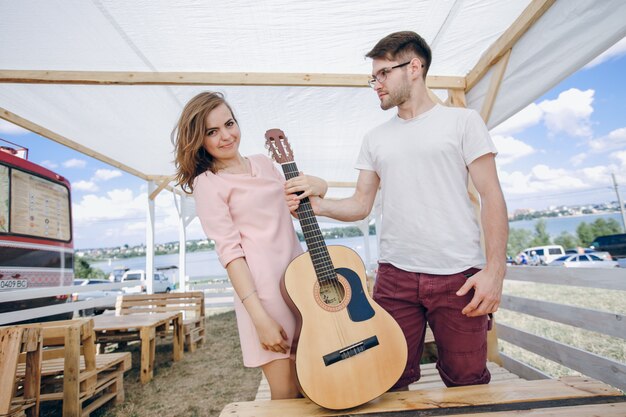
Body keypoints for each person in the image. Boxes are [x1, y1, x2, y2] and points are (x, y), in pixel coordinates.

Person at [285, 31, 508, 390]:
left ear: (414, 67)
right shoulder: (375, 138)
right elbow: (360, 205)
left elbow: (492, 196)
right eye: (373, 77)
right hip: (395, 278)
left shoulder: (463, 122)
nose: (376, 84)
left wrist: (495, 270)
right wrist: (317, 205)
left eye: (384, 73)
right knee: (386, 378)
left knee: (468, 382)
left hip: (460, 277)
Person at [172, 91, 326, 399]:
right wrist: (260, 319)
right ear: (198, 140)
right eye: (212, 132)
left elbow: (311, 192)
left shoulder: (264, 164)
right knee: (286, 397)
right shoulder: (208, 183)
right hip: (264, 297)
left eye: (229, 124)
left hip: (303, 286)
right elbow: (231, 255)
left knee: (319, 387)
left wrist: (320, 185)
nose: (226, 136)